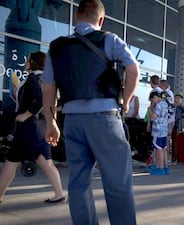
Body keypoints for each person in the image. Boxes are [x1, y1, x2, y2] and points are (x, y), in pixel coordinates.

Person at [41, 1, 139, 224]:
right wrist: (126, 100)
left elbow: (48, 88)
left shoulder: (56, 47)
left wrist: (51, 123)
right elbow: (133, 68)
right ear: (101, 20)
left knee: (78, 182)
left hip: (73, 121)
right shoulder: (108, 39)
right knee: (117, 182)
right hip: (105, 119)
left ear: (76, 15)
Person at [0, 51, 64, 204]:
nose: (26, 62)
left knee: (12, 161)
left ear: (34, 61)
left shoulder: (35, 78)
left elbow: (42, 100)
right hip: (38, 126)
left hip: (29, 127)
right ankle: (59, 194)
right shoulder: (43, 79)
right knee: (44, 161)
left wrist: (26, 114)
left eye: (28, 60)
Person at [148, 91, 169, 175]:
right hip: (164, 129)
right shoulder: (165, 104)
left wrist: (149, 110)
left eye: (153, 100)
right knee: (163, 148)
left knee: (159, 148)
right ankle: (165, 166)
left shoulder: (158, 105)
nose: (153, 101)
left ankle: (160, 167)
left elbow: (154, 116)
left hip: (158, 130)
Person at [171, 93, 184, 163]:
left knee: (176, 142)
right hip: (170, 125)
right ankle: (173, 157)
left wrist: (179, 118)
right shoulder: (171, 105)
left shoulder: (181, 107)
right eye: (177, 98)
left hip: (177, 126)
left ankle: (176, 157)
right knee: (172, 142)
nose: (178, 100)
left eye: (179, 99)